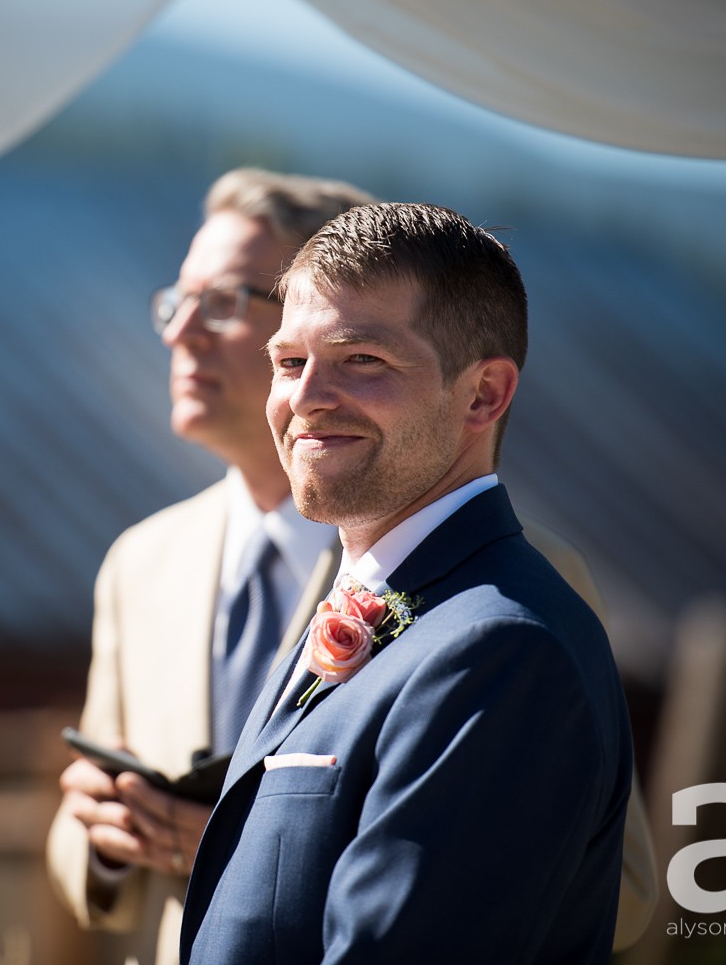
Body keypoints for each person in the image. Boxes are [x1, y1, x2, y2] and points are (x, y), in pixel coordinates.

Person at [46, 172, 653, 965]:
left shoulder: (507, 628)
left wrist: (238, 854)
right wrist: (109, 837)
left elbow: (585, 882)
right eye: (289, 360)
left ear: (483, 395)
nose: (308, 396)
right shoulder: (169, 562)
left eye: (360, 357)